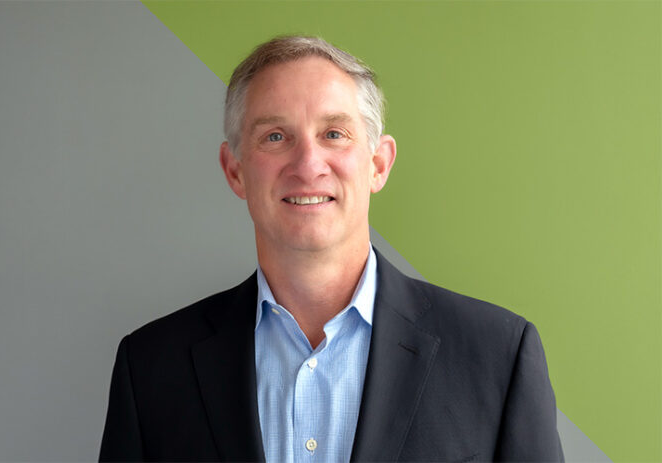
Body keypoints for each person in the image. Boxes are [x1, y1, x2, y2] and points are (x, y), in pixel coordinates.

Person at [99, 36, 563, 462]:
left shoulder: (496, 356)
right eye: (275, 136)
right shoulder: (151, 368)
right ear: (235, 171)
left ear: (378, 164)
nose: (307, 164)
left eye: (334, 134)